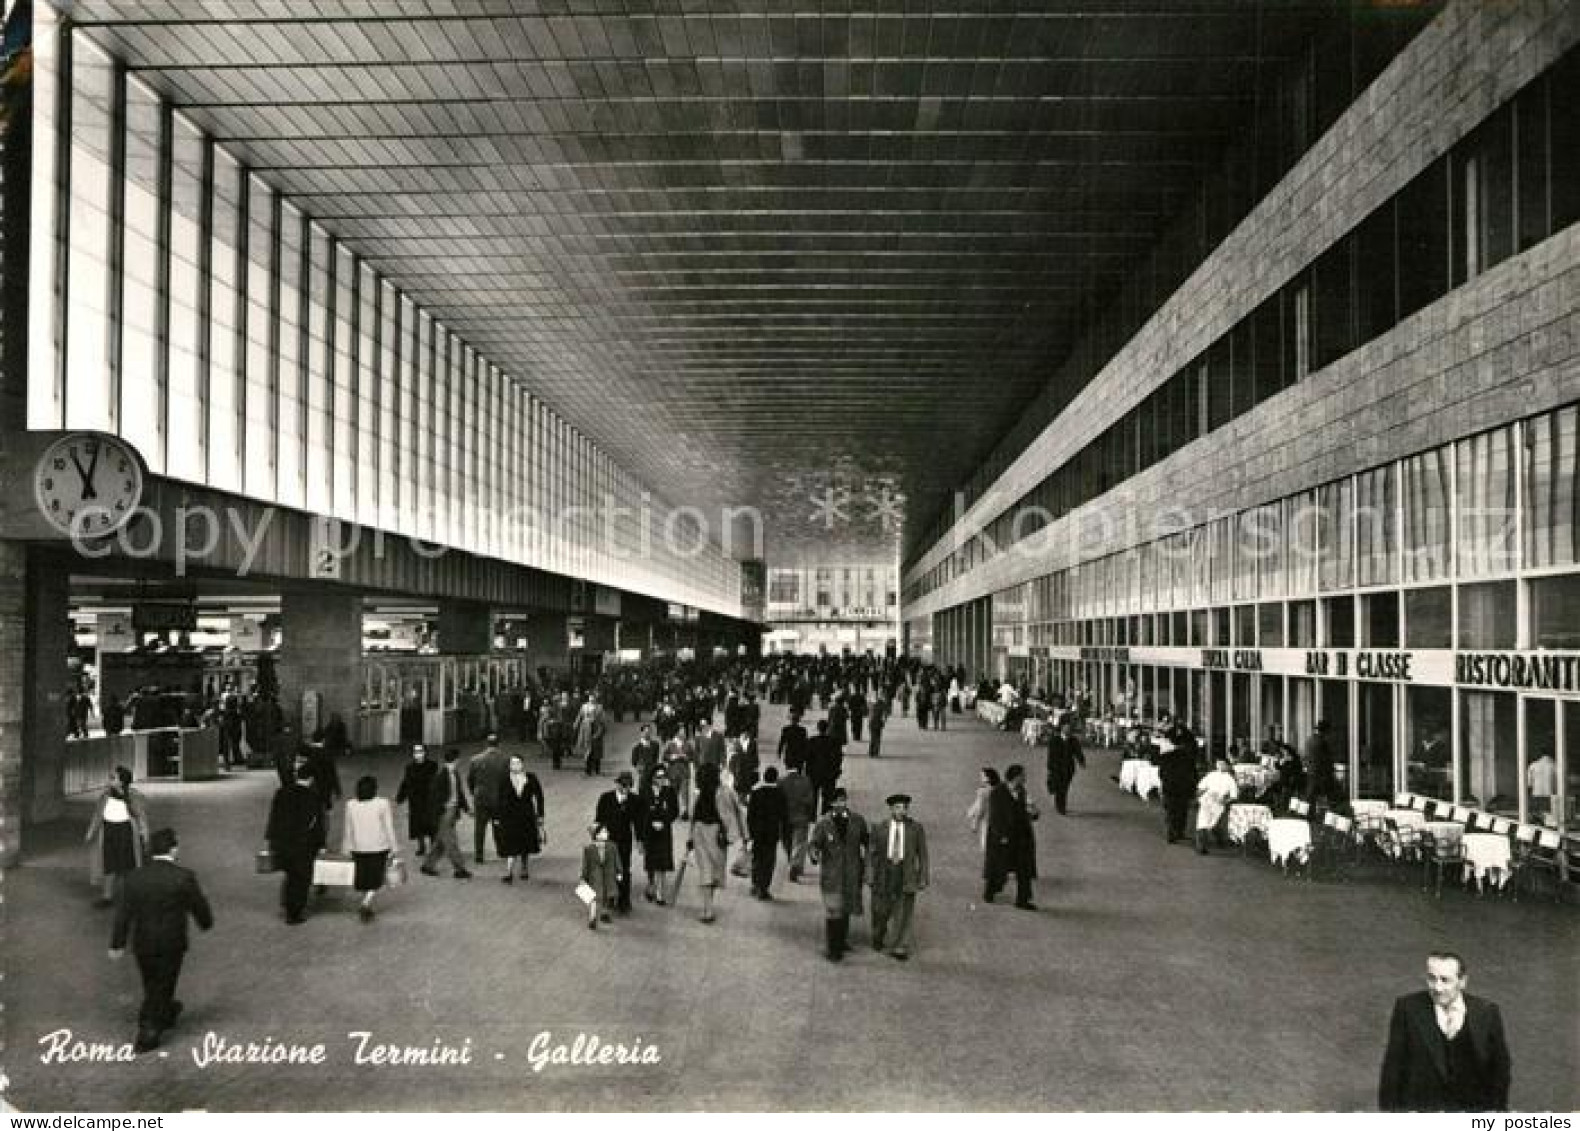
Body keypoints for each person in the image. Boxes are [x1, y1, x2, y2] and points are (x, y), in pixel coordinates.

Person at [108, 828, 214, 1053]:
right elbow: (198, 905)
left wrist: (117, 943)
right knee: (165, 981)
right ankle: (148, 1030)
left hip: (143, 941)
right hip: (172, 941)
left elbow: (123, 914)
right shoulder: (184, 877)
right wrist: (205, 922)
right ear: (173, 849)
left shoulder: (133, 878)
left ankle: (165, 1012)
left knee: (151, 980)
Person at [1379, 952, 1511, 1111]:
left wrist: (1496, 1116)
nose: (1437, 987)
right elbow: (1392, 1068)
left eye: (1445, 980)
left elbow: (1500, 1070)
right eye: (1431, 978)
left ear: (1462, 981)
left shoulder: (1487, 1011)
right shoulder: (1408, 1009)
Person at [808, 787, 868, 961]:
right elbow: (814, 844)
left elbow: (867, 841)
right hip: (832, 875)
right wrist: (814, 854)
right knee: (834, 910)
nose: (840, 804)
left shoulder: (858, 821)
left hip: (851, 873)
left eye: (843, 800)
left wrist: (868, 864)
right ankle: (833, 949)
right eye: (837, 801)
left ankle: (841, 941)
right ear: (831, 803)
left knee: (846, 908)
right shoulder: (823, 824)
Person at [869, 793, 929, 961]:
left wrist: (923, 876)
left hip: (906, 873)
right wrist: (870, 874)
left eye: (905, 808)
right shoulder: (879, 828)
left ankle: (900, 946)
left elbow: (923, 854)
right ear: (891, 809)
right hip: (884, 873)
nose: (902, 811)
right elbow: (871, 854)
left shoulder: (916, 828)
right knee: (880, 910)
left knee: (904, 912)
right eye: (898, 807)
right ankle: (878, 936)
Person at [267, 759, 326, 924]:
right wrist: (321, 844)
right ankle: (294, 911)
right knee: (301, 878)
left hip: (282, 843)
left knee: (290, 874)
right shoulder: (313, 797)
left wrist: (271, 840)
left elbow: (274, 819)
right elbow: (316, 824)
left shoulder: (281, 793)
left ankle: (287, 903)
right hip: (302, 845)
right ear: (311, 779)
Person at [685, 763, 745, 924]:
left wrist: (690, 838)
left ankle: (707, 908)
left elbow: (693, 816)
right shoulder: (725, 791)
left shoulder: (699, 793)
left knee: (705, 870)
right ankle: (708, 907)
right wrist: (740, 836)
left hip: (699, 833)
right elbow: (736, 812)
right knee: (713, 871)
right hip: (717, 835)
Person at [85, 766, 150, 908]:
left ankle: (133, 897)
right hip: (108, 832)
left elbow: (141, 817)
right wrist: (91, 832)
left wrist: (144, 834)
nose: (109, 780)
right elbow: (97, 815)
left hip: (126, 833)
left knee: (129, 865)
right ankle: (107, 897)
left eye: (113, 778)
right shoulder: (105, 796)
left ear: (121, 781)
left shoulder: (133, 796)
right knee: (108, 864)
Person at [343, 774, 400, 922]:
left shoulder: (351, 804)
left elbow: (348, 828)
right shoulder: (382, 803)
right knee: (376, 878)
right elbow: (388, 827)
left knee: (364, 877)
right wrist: (394, 846)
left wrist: (347, 846)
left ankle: (366, 902)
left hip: (358, 847)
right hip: (378, 846)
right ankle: (366, 903)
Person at [984, 765, 1038, 909]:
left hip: (1021, 838)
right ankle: (991, 891)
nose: (1025, 778)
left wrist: (1033, 813)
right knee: (999, 869)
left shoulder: (1022, 791)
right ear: (1016, 777)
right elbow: (995, 817)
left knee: (1024, 869)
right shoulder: (997, 793)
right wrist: (1001, 835)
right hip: (1003, 838)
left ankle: (1023, 900)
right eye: (1023, 775)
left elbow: (1024, 811)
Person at [594, 772, 644, 913]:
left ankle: (624, 900)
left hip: (624, 840)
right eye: (623, 785)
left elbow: (638, 822)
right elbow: (598, 819)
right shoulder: (605, 798)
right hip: (608, 839)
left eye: (629, 786)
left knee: (624, 869)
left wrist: (640, 841)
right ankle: (610, 897)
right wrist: (598, 836)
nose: (626, 789)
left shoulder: (635, 800)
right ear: (617, 784)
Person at [421, 749, 473, 880]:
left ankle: (427, 865)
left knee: (441, 841)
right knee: (451, 841)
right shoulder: (441, 776)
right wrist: (440, 812)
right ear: (456, 760)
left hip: (451, 811)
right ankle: (459, 869)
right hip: (445, 813)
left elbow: (459, 793)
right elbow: (434, 798)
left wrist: (466, 809)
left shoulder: (453, 773)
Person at [495, 753, 545, 883]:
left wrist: (540, 815)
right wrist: (498, 817)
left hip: (526, 815)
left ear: (522, 764)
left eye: (517, 763)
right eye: (512, 763)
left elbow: (539, 797)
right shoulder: (504, 779)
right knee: (510, 844)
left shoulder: (531, 778)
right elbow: (499, 799)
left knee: (525, 843)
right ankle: (509, 872)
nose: (515, 765)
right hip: (509, 817)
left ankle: (524, 869)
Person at [639, 765, 680, 905]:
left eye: (663, 776)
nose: (661, 779)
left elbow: (675, 811)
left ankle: (660, 894)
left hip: (664, 832)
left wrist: (665, 821)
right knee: (651, 861)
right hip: (649, 831)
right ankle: (651, 885)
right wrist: (649, 824)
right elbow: (641, 811)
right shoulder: (645, 791)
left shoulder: (669, 791)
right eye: (658, 777)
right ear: (652, 778)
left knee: (662, 864)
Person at [746, 765, 788, 900]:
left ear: (764, 778)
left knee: (757, 857)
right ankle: (764, 887)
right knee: (769, 860)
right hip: (772, 833)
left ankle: (755, 883)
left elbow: (750, 815)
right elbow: (784, 816)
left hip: (757, 833)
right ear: (776, 779)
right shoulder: (780, 795)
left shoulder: (756, 793)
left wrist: (750, 832)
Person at [466, 735, 509, 865]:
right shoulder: (505, 760)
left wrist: (474, 792)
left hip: (481, 798)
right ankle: (501, 851)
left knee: (479, 828)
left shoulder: (475, 759)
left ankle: (479, 855)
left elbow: (470, 780)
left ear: (487, 744)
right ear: (498, 744)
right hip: (498, 799)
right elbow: (508, 781)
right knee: (498, 826)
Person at [1157, 718, 1199, 844]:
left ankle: (1172, 831)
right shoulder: (1187, 753)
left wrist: (1163, 780)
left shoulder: (1166, 753)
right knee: (1182, 808)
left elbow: (1162, 770)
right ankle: (1179, 831)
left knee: (1171, 808)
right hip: (1183, 784)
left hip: (1170, 783)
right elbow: (1192, 767)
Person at [394, 744, 440, 858]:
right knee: (417, 825)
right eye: (416, 752)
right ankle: (421, 846)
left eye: (420, 751)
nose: (418, 754)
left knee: (431, 825)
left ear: (425, 752)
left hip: (429, 800)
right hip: (415, 801)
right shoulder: (409, 767)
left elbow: (435, 782)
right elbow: (405, 782)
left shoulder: (432, 765)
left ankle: (433, 846)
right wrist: (400, 797)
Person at [779, 760, 817, 882]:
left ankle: (791, 858)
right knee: (799, 843)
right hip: (801, 817)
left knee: (787, 841)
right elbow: (810, 801)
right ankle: (795, 865)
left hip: (785, 818)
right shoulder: (806, 781)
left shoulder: (781, 781)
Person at [1194, 758, 1239, 855]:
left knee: (1214, 822)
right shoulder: (1211, 775)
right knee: (1202, 822)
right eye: (1218, 764)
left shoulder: (1230, 778)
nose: (1220, 766)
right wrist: (1197, 795)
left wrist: (1225, 801)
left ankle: (1221, 840)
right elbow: (1201, 787)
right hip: (1206, 799)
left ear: (1227, 766)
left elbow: (1234, 795)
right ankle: (1201, 846)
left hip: (1218, 802)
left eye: (1222, 764)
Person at [580, 824, 620, 929]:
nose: (606, 834)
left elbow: (617, 860)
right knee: (593, 898)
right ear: (597, 835)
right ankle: (592, 918)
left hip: (607, 875)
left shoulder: (612, 847)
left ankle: (604, 912)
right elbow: (586, 864)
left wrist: (619, 872)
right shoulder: (589, 849)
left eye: (606, 832)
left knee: (606, 895)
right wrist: (583, 877)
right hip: (595, 876)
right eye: (603, 832)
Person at [1045, 719, 1086, 816]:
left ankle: (1060, 804)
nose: (1068, 730)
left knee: (1065, 787)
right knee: (1060, 786)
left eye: (1070, 728)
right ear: (1062, 728)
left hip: (1068, 768)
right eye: (1066, 728)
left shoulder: (1073, 740)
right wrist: (1050, 767)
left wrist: (1081, 761)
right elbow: (1051, 755)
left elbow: (1078, 752)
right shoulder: (1054, 740)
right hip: (1057, 767)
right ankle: (1060, 806)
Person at [805, 718, 843, 816]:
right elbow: (838, 758)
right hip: (829, 773)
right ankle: (825, 814)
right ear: (827, 728)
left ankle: (812, 815)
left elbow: (807, 757)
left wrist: (807, 772)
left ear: (818, 728)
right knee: (828, 796)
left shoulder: (812, 741)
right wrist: (837, 770)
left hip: (814, 773)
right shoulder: (834, 742)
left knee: (813, 795)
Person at [1304, 720, 1339, 812]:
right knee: (1331, 795)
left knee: (1310, 796)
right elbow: (1326, 760)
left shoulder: (1309, 740)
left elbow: (1307, 757)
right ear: (1326, 731)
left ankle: (1307, 814)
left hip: (1311, 771)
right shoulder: (1322, 742)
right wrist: (1331, 771)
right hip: (1321, 774)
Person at [966, 766, 1000, 851]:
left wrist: (975, 823)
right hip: (998, 821)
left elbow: (980, 809)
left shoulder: (983, 792)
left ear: (988, 778)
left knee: (987, 846)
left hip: (987, 822)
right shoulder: (999, 789)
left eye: (982, 776)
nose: (981, 778)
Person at [576, 696, 608, 776]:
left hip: (597, 729)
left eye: (593, 699)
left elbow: (603, 720)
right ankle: (587, 771)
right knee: (587, 751)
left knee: (597, 752)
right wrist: (576, 723)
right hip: (586, 729)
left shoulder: (599, 707)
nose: (592, 700)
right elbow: (580, 716)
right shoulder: (584, 706)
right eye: (590, 699)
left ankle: (597, 770)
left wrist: (602, 730)